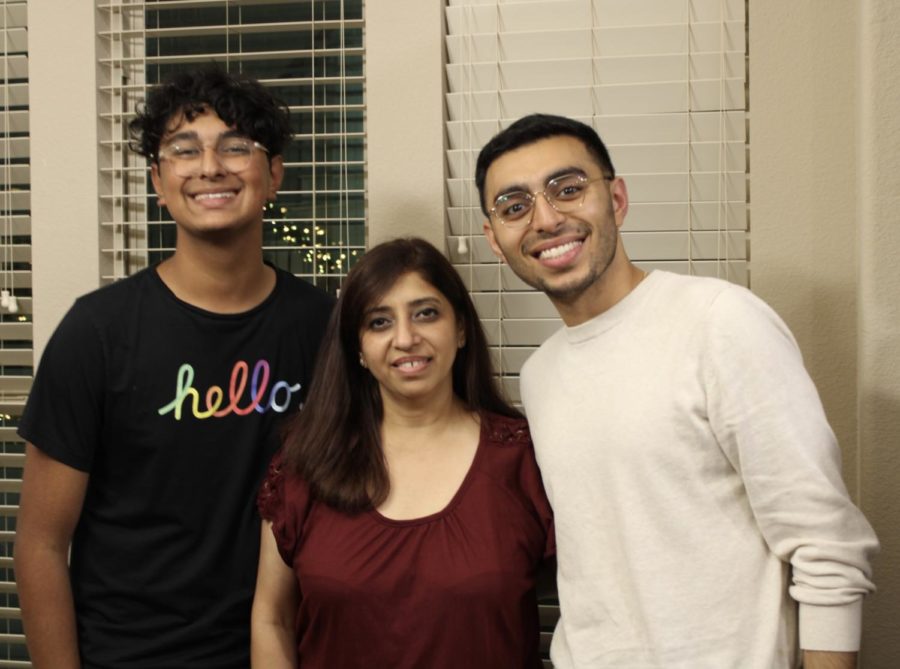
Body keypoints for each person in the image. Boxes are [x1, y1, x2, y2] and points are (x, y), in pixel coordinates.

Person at [475, 113, 879, 669]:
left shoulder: (720, 322)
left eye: (568, 190)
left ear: (616, 199)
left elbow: (826, 545)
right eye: (515, 206)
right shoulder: (541, 376)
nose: (546, 218)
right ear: (496, 240)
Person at [14, 66, 333, 668]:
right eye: (184, 150)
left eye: (236, 146)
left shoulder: (324, 329)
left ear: (273, 177)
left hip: (284, 653)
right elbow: (41, 543)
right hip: (131, 657)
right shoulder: (97, 333)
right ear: (159, 183)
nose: (210, 166)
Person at [251, 237, 554, 668]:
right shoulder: (305, 465)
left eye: (426, 314)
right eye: (379, 322)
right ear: (357, 348)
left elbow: (598, 601)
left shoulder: (525, 460)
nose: (406, 338)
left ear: (462, 328)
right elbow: (272, 618)